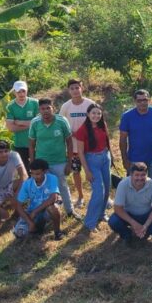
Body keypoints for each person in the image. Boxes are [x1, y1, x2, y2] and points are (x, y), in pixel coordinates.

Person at [30, 97, 77, 220]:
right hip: (42, 163)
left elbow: (69, 142)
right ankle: (47, 214)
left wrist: (69, 162)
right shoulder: (35, 123)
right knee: (44, 189)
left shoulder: (62, 121)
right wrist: (33, 163)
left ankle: (70, 211)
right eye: (42, 109)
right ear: (39, 110)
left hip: (59, 161)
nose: (45, 111)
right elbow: (31, 144)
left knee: (62, 186)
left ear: (53, 108)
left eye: (48, 108)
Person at [59, 78, 97, 210]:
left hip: (90, 146)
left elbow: (97, 121)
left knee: (94, 171)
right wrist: (71, 134)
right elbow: (61, 124)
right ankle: (80, 196)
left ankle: (98, 195)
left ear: (82, 88)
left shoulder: (90, 104)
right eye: (72, 88)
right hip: (73, 147)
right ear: (69, 91)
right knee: (76, 172)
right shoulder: (66, 106)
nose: (75, 90)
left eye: (77, 87)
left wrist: (84, 134)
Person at [108, 162, 152, 246]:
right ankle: (127, 234)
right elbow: (117, 208)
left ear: (147, 175)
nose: (140, 178)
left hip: (146, 215)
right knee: (113, 222)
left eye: (143, 175)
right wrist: (134, 224)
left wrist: (146, 225)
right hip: (129, 215)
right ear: (131, 175)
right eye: (137, 175)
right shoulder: (123, 184)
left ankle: (144, 231)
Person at [74, 103, 111, 232]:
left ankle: (101, 214)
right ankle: (90, 222)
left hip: (105, 158)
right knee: (98, 192)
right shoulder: (82, 130)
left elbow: (107, 141)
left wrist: (110, 156)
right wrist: (87, 171)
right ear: (88, 114)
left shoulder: (102, 125)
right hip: (92, 160)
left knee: (107, 188)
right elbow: (80, 152)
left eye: (99, 114)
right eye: (94, 113)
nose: (96, 116)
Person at [119, 89, 152, 179]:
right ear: (135, 101)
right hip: (134, 158)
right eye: (139, 100)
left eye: (145, 100)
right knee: (134, 184)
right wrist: (124, 159)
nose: (142, 103)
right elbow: (122, 140)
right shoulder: (127, 116)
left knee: (149, 182)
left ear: (149, 100)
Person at [13, 158, 64, 240]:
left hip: (47, 208)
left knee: (52, 207)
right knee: (19, 233)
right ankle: (38, 227)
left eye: (37, 174)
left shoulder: (52, 178)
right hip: (33, 210)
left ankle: (57, 232)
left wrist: (35, 212)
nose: (34, 176)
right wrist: (29, 222)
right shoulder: (27, 183)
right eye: (32, 173)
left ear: (45, 171)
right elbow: (18, 205)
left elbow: (53, 198)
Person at [0, 140, 27, 228]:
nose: (4, 154)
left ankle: (17, 213)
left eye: (6, 151)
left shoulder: (14, 155)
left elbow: (24, 176)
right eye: (0, 152)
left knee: (23, 184)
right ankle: (2, 210)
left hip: (11, 184)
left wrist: (16, 196)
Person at [5, 81, 38, 161]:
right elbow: (11, 128)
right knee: (24, 171)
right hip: (20, 144)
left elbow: (39, 123)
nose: (21, 94)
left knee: (38, 170)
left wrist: (20, 123)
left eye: (23, 91)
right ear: (14, 92)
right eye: (18, 92)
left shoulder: (35, 103)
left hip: (37, 144)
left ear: (27, 91)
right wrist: (30, 124)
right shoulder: (10, 106)